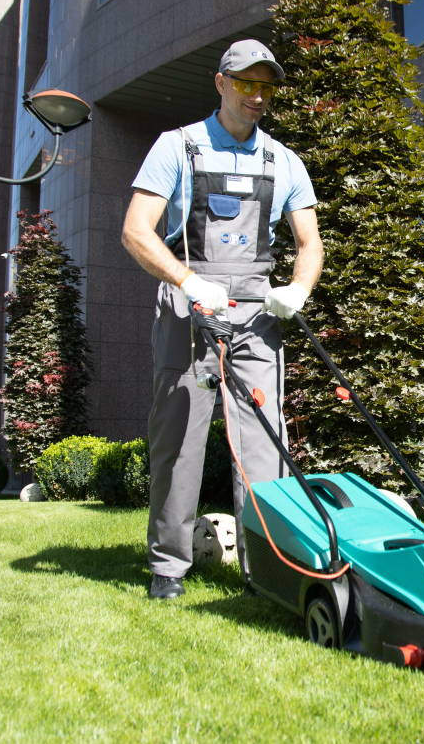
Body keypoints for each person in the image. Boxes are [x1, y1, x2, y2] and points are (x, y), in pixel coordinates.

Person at [122, 39, 323, 600]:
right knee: (179, 439)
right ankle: (168, 567)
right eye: (245, 83)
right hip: (189, 307)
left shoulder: (283, 162)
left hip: (258, 315)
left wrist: (298, 289)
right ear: (220, 82)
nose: (256, 96)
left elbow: (309, 242)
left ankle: (264, 568)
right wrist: (187, 280)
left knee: (264, 441)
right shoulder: (175, 147)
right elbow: (136, 231)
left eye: (266, 86)